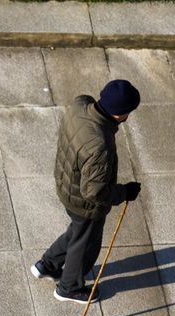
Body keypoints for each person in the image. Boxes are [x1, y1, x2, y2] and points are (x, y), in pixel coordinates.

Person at [30, 80, 142, 304]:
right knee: (85, 245)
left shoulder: (80, 104)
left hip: (67, 185)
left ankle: (48, 265)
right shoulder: (100, 144)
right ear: (120, 114)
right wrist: (124, 192)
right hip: (85, 204)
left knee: (78, 232)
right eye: (129, 111)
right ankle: (68, 288)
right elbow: (94, 191)